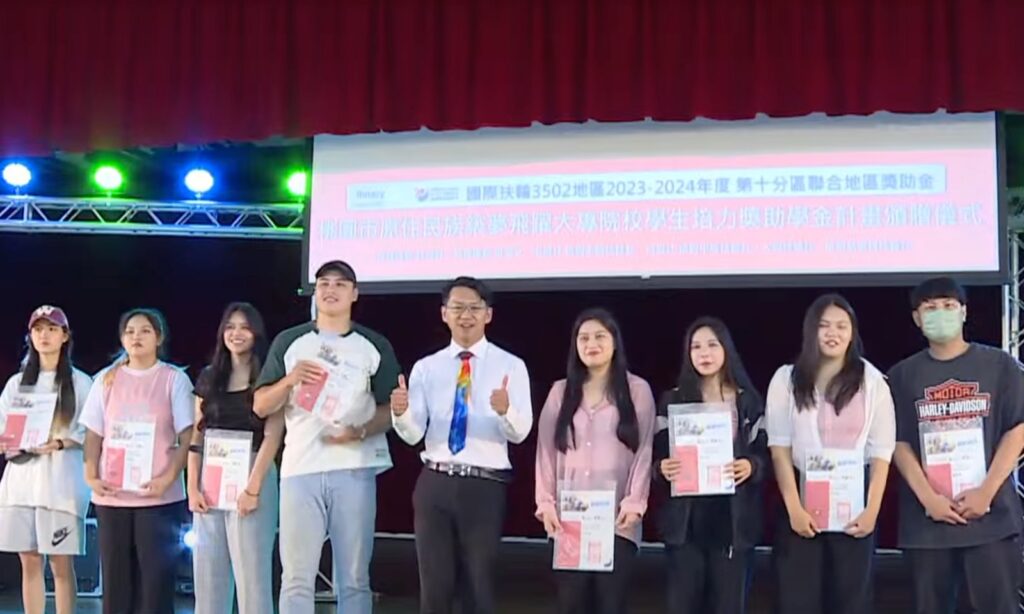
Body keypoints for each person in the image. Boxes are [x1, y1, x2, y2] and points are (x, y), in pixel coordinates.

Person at [254, 260, 400, 614]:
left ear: (355, 293)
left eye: (340, 284)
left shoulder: (373, 345)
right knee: (296, 578)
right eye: (324, 283)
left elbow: (391, 410)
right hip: (299, 470)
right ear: (315, 292)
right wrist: (289, 381)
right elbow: (260, 405)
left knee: (354, 578)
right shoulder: (290, 341)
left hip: (354, 470)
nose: (331, 290)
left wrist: (359, 430)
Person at [390, 276, 533, 614]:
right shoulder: (427, 367)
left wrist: (506, 411)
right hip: (435, 481)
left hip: (484, 485)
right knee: (434, 588)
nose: (465, 315)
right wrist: (400, 413)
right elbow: (413, 434)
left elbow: (521, 433)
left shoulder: (511, 366)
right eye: (457, 308)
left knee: (478, 586)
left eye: (473, 308)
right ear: (444, 314)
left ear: (488, 314)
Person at [889, 277, 1024, 614]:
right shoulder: (902, 375)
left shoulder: (1000, 365)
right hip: (928, 524)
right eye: (930, 308)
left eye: (949, 306)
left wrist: (986, 492)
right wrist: (929, 499)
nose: (941, 313)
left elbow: (1017, 430)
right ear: (917, 318)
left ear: (964, 312)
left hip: (991, 518)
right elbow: (898, 443)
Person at [766, 294, 896, 614]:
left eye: (841, 326)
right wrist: (794, 508)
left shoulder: (872, 381)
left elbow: (882, 452)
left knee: (852, 601)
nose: (832, 333)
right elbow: (780, 449)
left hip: (853, 503)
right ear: (811, 331)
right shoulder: (786, 379)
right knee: (797, 601)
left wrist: (872, 510)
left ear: (852, 333)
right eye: (824, 326)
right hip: (801, 502)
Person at [534, 308, 655, 614]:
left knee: (610, 605)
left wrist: (635, 502)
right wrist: (546, 503)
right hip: (568, 522)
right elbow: (545, 453)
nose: (591, 344)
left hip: (616, 522)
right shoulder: (560, 392)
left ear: (615, 342)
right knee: (570, 604)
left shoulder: (637, 391)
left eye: (600, 336)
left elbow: (644, 452)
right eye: (584, 338)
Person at [80, 308, 195, 614]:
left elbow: (187, 437)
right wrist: (91, 475)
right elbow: (93, 434)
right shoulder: (106, 379)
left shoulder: (174, 379)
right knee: (116, 583)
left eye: (145, 331)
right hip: (112, 496)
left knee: (156, 585)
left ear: (159, 337)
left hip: (158, 498)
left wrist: (167, 478)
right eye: (130, 331)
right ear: (122, 339)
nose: (136, 337)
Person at [653, 316, 766, 614]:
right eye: (696, 347)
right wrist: (662, 468)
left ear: (726, 349)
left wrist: (752, 466)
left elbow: (765, 456)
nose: (704, 353)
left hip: (732, 524)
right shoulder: (672, 400)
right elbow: (656, 459)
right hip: (685, 525)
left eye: (712, 345)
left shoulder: (748, 402)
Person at [187, 302, 283, 614]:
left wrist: (252, 488)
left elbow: (273, 436)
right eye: (230, 327)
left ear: (256, 333)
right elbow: (196, 437)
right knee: (208, 576)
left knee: (252, 576)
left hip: (254, 473)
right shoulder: (209, 377)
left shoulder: (269, 377)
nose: (236, 333)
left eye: (244, 327)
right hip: (212, 476)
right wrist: (192, 487)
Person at [0, 306, 92, 614]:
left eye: (52, 329)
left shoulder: (80, 382)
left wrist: (59, 443)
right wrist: (10, 442)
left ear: (65, 336)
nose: (44, 335)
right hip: (20, 486)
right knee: (29, 562)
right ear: (30, 336)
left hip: (61, 488)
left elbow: (91, 432)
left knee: (60, 564)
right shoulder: (17, 384)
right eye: (38, 329)